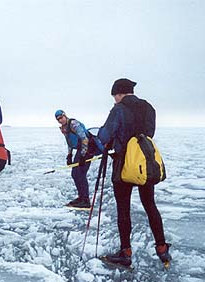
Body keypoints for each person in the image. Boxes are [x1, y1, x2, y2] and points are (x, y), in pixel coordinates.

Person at [97, 78, 172, 267]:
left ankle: (126, 252)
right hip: (144, 164)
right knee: (150, 204)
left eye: (115, 96)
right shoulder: (148, 107)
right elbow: (149, 133)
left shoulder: (119, 109)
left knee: (123, 208)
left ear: (119, 93)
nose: (114, 99)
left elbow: (106, 135)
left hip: (123, 165)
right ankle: (162, 248)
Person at [55, 109, 99, 209]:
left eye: (61, 117)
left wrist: (83, 155)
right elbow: (69, 142)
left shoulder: (74, 124)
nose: (60, 120)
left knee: (81, 173)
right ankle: (81, 197)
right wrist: (69, 155)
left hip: (87, 149)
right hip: (80, 150)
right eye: (58, 119)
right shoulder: (64, 128)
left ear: (65, 115)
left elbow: (84, 139)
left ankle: (86, 200)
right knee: (74, 174)